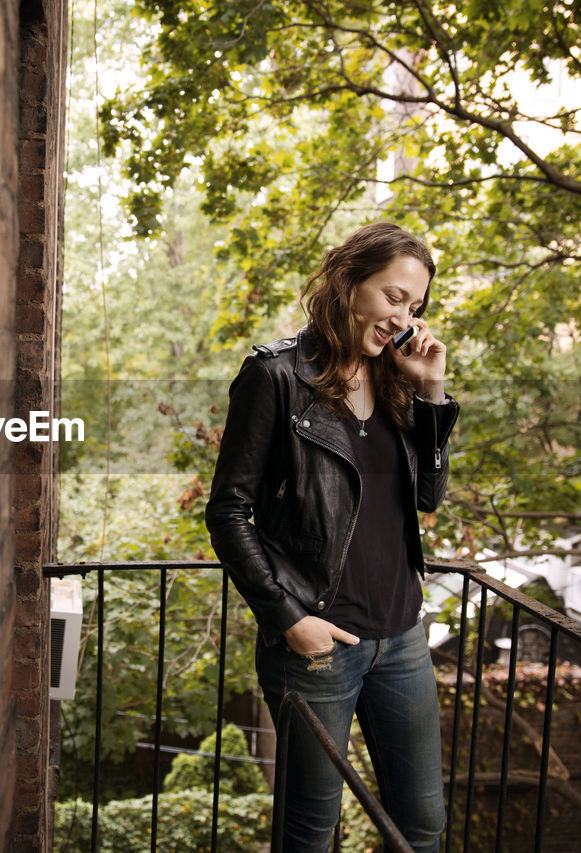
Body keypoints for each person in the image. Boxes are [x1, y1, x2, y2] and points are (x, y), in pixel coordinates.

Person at [204, 222, 460, 852]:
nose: (404, 318)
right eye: (394, 297)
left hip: (400, 638)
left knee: (423, 825)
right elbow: (228, 510)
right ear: (349, 284)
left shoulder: (398, 379)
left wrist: (431, 393)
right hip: (318, 645)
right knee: (310, 834)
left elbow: (428, 497)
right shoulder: (277, 378)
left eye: (416, 306)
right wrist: (289, 618)